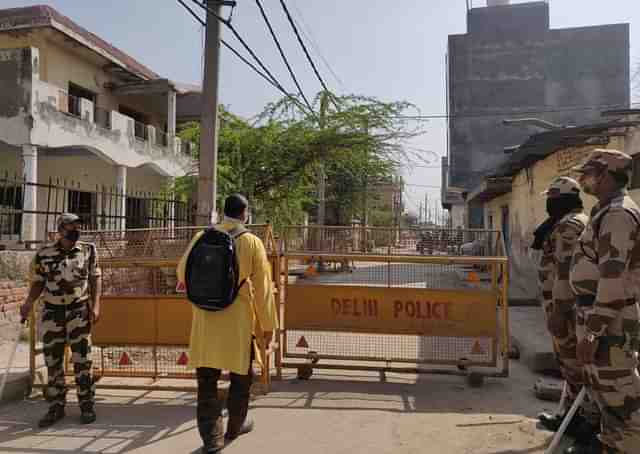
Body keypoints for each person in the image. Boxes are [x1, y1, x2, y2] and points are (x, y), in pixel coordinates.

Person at [177, 194, 278, 453]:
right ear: (245, 213)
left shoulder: (202, 236)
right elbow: (264, 288)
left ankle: (212, 441)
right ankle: (235, 426)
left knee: (207, 383)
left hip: (205, 321)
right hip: (238, 324)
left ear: (224, 212)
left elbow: (181, 272)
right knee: (241, 378)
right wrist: (268, 326)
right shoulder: (252, 242)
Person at [570, 149, 640, 454]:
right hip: (597, 313)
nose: (584, 180)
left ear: (608, 176)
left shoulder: (617, 214)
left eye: (590, 173)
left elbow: (613, 278)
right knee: (605, 395)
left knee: (622, 399)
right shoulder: (604, 210)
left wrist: (594, 330)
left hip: (610, 320)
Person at [532, 177, 601, 452]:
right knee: (570, 367)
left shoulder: (569, 226)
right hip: (565, 306)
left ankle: (588, 429)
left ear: (560, 200)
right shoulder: (570, 222)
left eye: (552, 198)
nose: (548, 203)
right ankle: (573, 420)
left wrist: (559, 310)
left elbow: (564, 271)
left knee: (576, 367)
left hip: (569, 310)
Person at [20, 213, 101, 428]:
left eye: (78, 225)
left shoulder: (88, 250)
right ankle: (56, 406)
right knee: (52, 361)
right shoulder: (44, 254)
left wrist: (97, 305)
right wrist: (28, 302)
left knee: (82, 360)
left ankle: (86, 405)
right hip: (52, 312)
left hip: (78, 311)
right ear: (61, 229)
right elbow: (38, 282)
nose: (76, 229)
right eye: (71, 226)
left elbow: (95, 277)